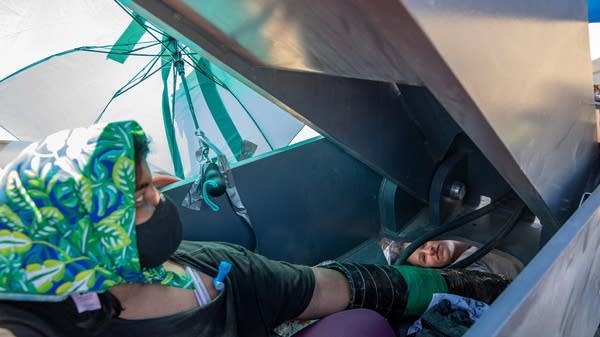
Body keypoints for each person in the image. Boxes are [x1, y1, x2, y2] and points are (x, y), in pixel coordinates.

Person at [0, 121, 510, 337]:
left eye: (148, 180)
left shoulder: (202, 268)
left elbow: (324, 289)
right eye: (138, 196)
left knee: (364, 324)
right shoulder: (37, 323)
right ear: (81, 239)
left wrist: (452, 284)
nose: (159, 191)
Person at [380, 238, 524, 279]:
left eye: (423, 243)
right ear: (427, 268)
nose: (429, 250)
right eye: (423, 258)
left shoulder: (467, 225)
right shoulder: (468, 271)